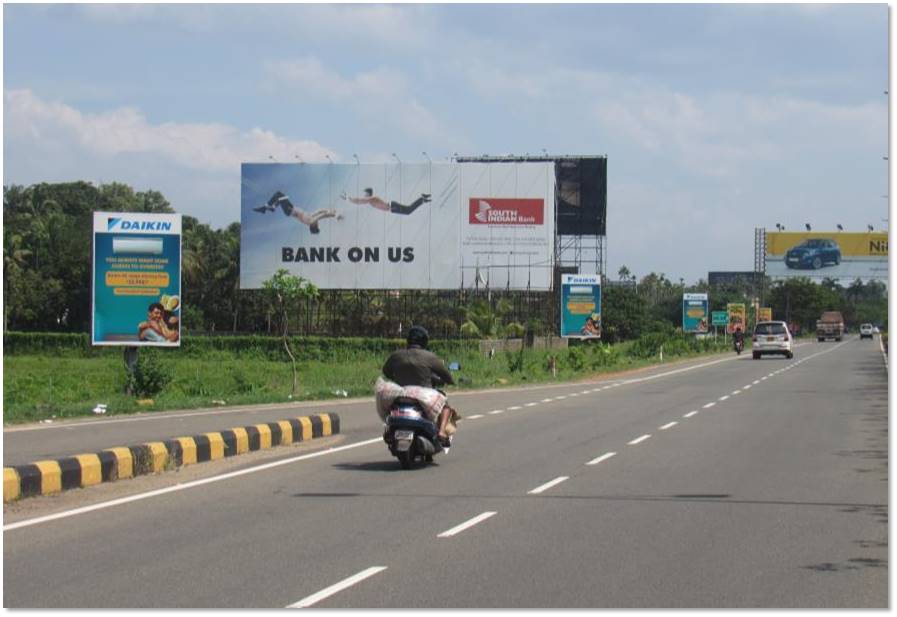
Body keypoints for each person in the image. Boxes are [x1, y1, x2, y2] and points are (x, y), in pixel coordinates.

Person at [382, 325, 456, 443]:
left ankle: (389, 430)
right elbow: (446, 375)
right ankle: (441, 431)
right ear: (425, 341)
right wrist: (449, 381)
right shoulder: (430, 356)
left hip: (400, 394)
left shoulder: (396, 355)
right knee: (445, 406)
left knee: (389, 407)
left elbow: (386, 371)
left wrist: (396, 378)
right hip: (424, 395)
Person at [254, 191, 343, 234]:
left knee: (278, 195)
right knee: (280, 197)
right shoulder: (311, 218)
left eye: (317, 226)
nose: (318, 224)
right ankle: (272, 207)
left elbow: (322, 215)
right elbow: (320, 212)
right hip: (291, 208)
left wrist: (333, 214)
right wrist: (332, 214)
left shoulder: (310, 221)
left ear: (314, 226)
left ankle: (265, 208)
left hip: (290, 210)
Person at [340, 188, 431, 215]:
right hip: (391, 208)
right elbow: (359, 202)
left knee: (408, 211)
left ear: (368, 194)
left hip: (392, 206)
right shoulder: (370, 200)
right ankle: (422, 199)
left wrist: (348, 198)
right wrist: (350, 200)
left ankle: (421, 199)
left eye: (365, 194)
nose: (364, 196)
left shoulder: (372, 198)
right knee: (408, 211)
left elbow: (360, 201)